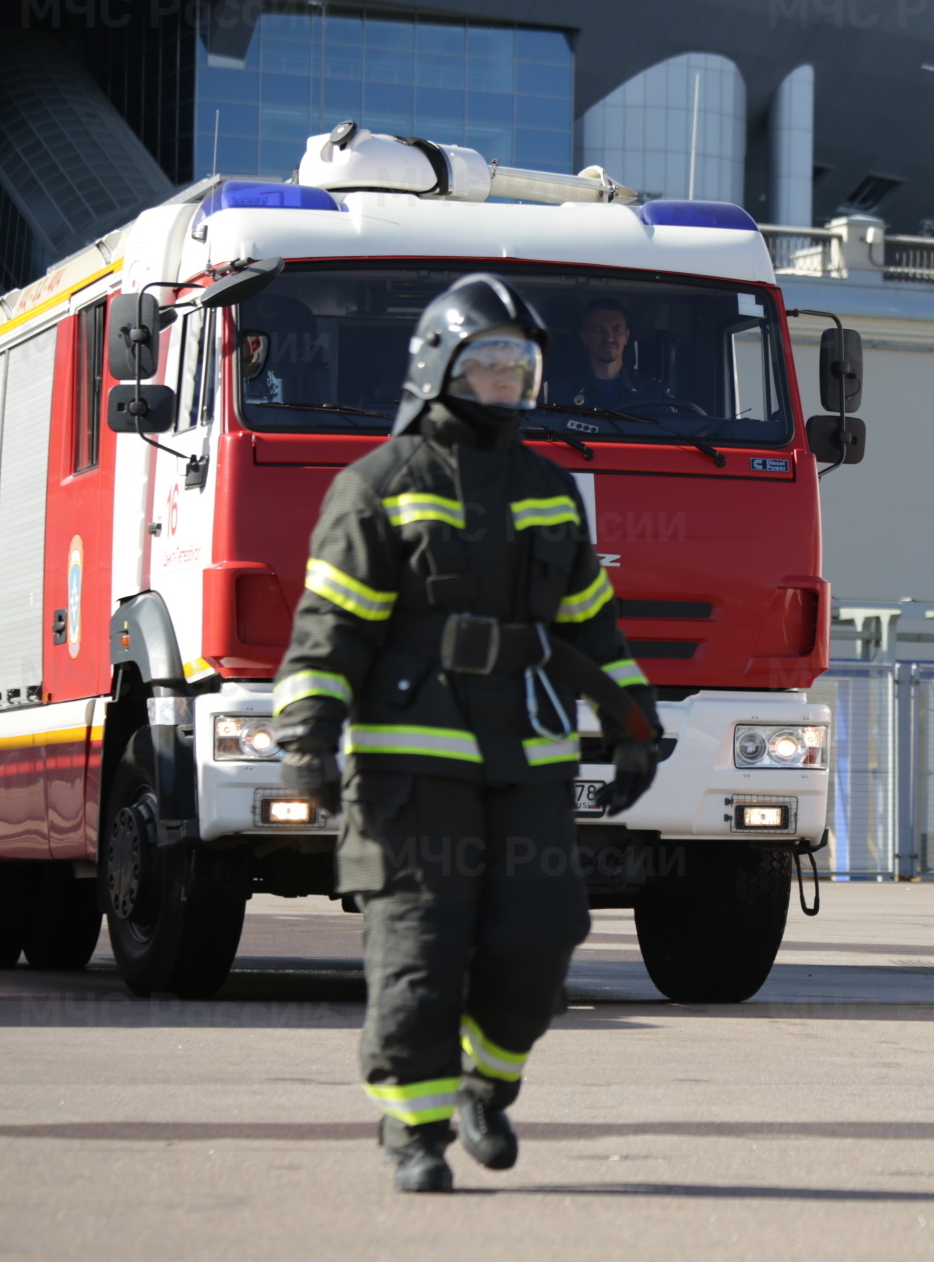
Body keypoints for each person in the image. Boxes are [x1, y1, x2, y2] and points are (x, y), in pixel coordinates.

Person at [271, 273, 660, 1192]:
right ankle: (413, 1130)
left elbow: (592, 624)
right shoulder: (376, 486)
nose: (506, 383)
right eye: (488, 366)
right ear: (441, 368)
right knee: (419, 949)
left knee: (542, 934)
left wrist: (634, 722)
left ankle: (488, 1083)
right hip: (411, 762)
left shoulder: (550, 489)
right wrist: (308, 737)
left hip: (527, 755)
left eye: (520, 367)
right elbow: (331, 625)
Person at [549, 297, 670, 409]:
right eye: (599, 330)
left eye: (616, 330)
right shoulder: (558, 391)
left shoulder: (653, 392)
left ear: (626, 336)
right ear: (584, 336)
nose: (609, 338)